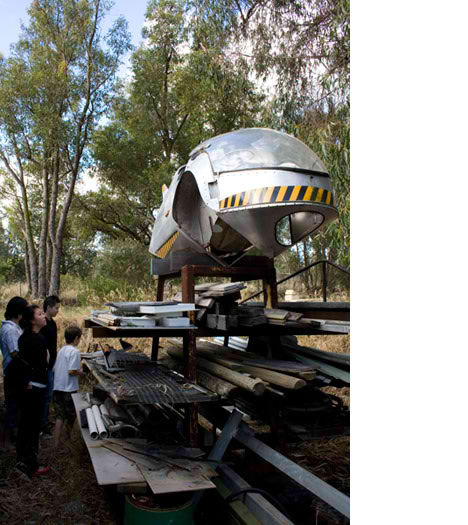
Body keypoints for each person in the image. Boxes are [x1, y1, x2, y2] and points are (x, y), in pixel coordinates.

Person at [14, 304, 50, 479]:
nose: (44, 316)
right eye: (40, 314)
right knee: (32, 427)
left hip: (27, 386)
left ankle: (23, 461)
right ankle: (31, 466)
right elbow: (43, 364)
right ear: (32, 320)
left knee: (25, 426)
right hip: (35, 387)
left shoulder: (24, 337)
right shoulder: (37, 339)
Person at [0, 296, 28, 450]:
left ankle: (13, 438)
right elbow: (15, 353)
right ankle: (6, 442)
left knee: (16, 407)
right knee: (12, 407)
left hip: (16, 373)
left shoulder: (14, 327)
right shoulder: (10, 330)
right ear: (19, 313)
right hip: (13, 374)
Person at [52, 325, 83, 450]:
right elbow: (72, 371)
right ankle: (67, 440)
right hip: (68, 389)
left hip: (57, 388)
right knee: (71, 417)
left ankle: (56, 444)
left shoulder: (61, 350)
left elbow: (55, 368)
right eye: (79, 338)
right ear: (76, 338)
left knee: (59, 417)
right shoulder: (75, 351)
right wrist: (81, 371)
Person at [40, 295, 61, 437]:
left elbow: (53, 345)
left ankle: (45, 421)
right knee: (45, 397)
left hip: (52, 365)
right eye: (56, 308)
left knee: (49, 396)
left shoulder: (52, 323)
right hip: (44, 367)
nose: (58, 310)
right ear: (48, 307)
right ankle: (42, 426)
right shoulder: (42, 324)